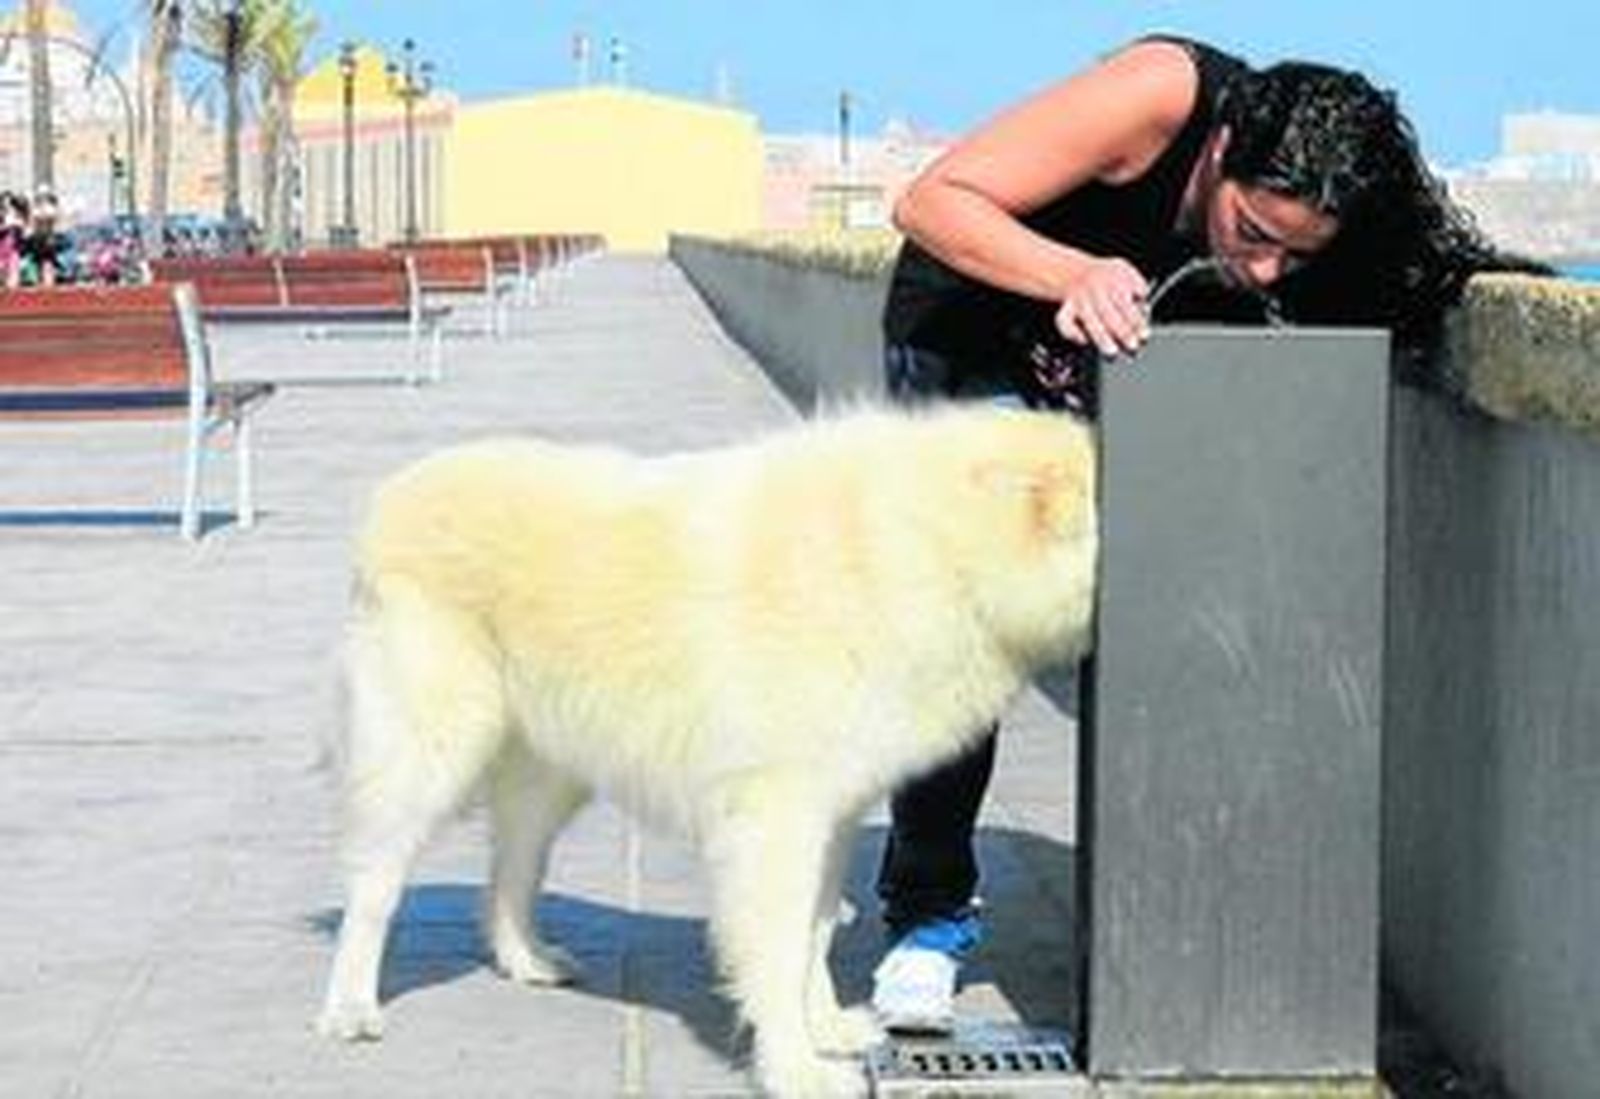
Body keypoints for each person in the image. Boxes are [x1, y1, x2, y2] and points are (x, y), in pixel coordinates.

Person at [869, 33, 1547, 1034]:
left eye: (1295, 252)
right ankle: (925, 916)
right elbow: (930, 203)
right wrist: (1076, 272)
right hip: (975, 329)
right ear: (1221, 147)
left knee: (1165, 609)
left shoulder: (1303, 223)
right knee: (961, 634)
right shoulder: (1160, 95)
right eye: (1248, 226)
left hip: (1128, 363)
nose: (1260, 263)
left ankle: (1179, 915)